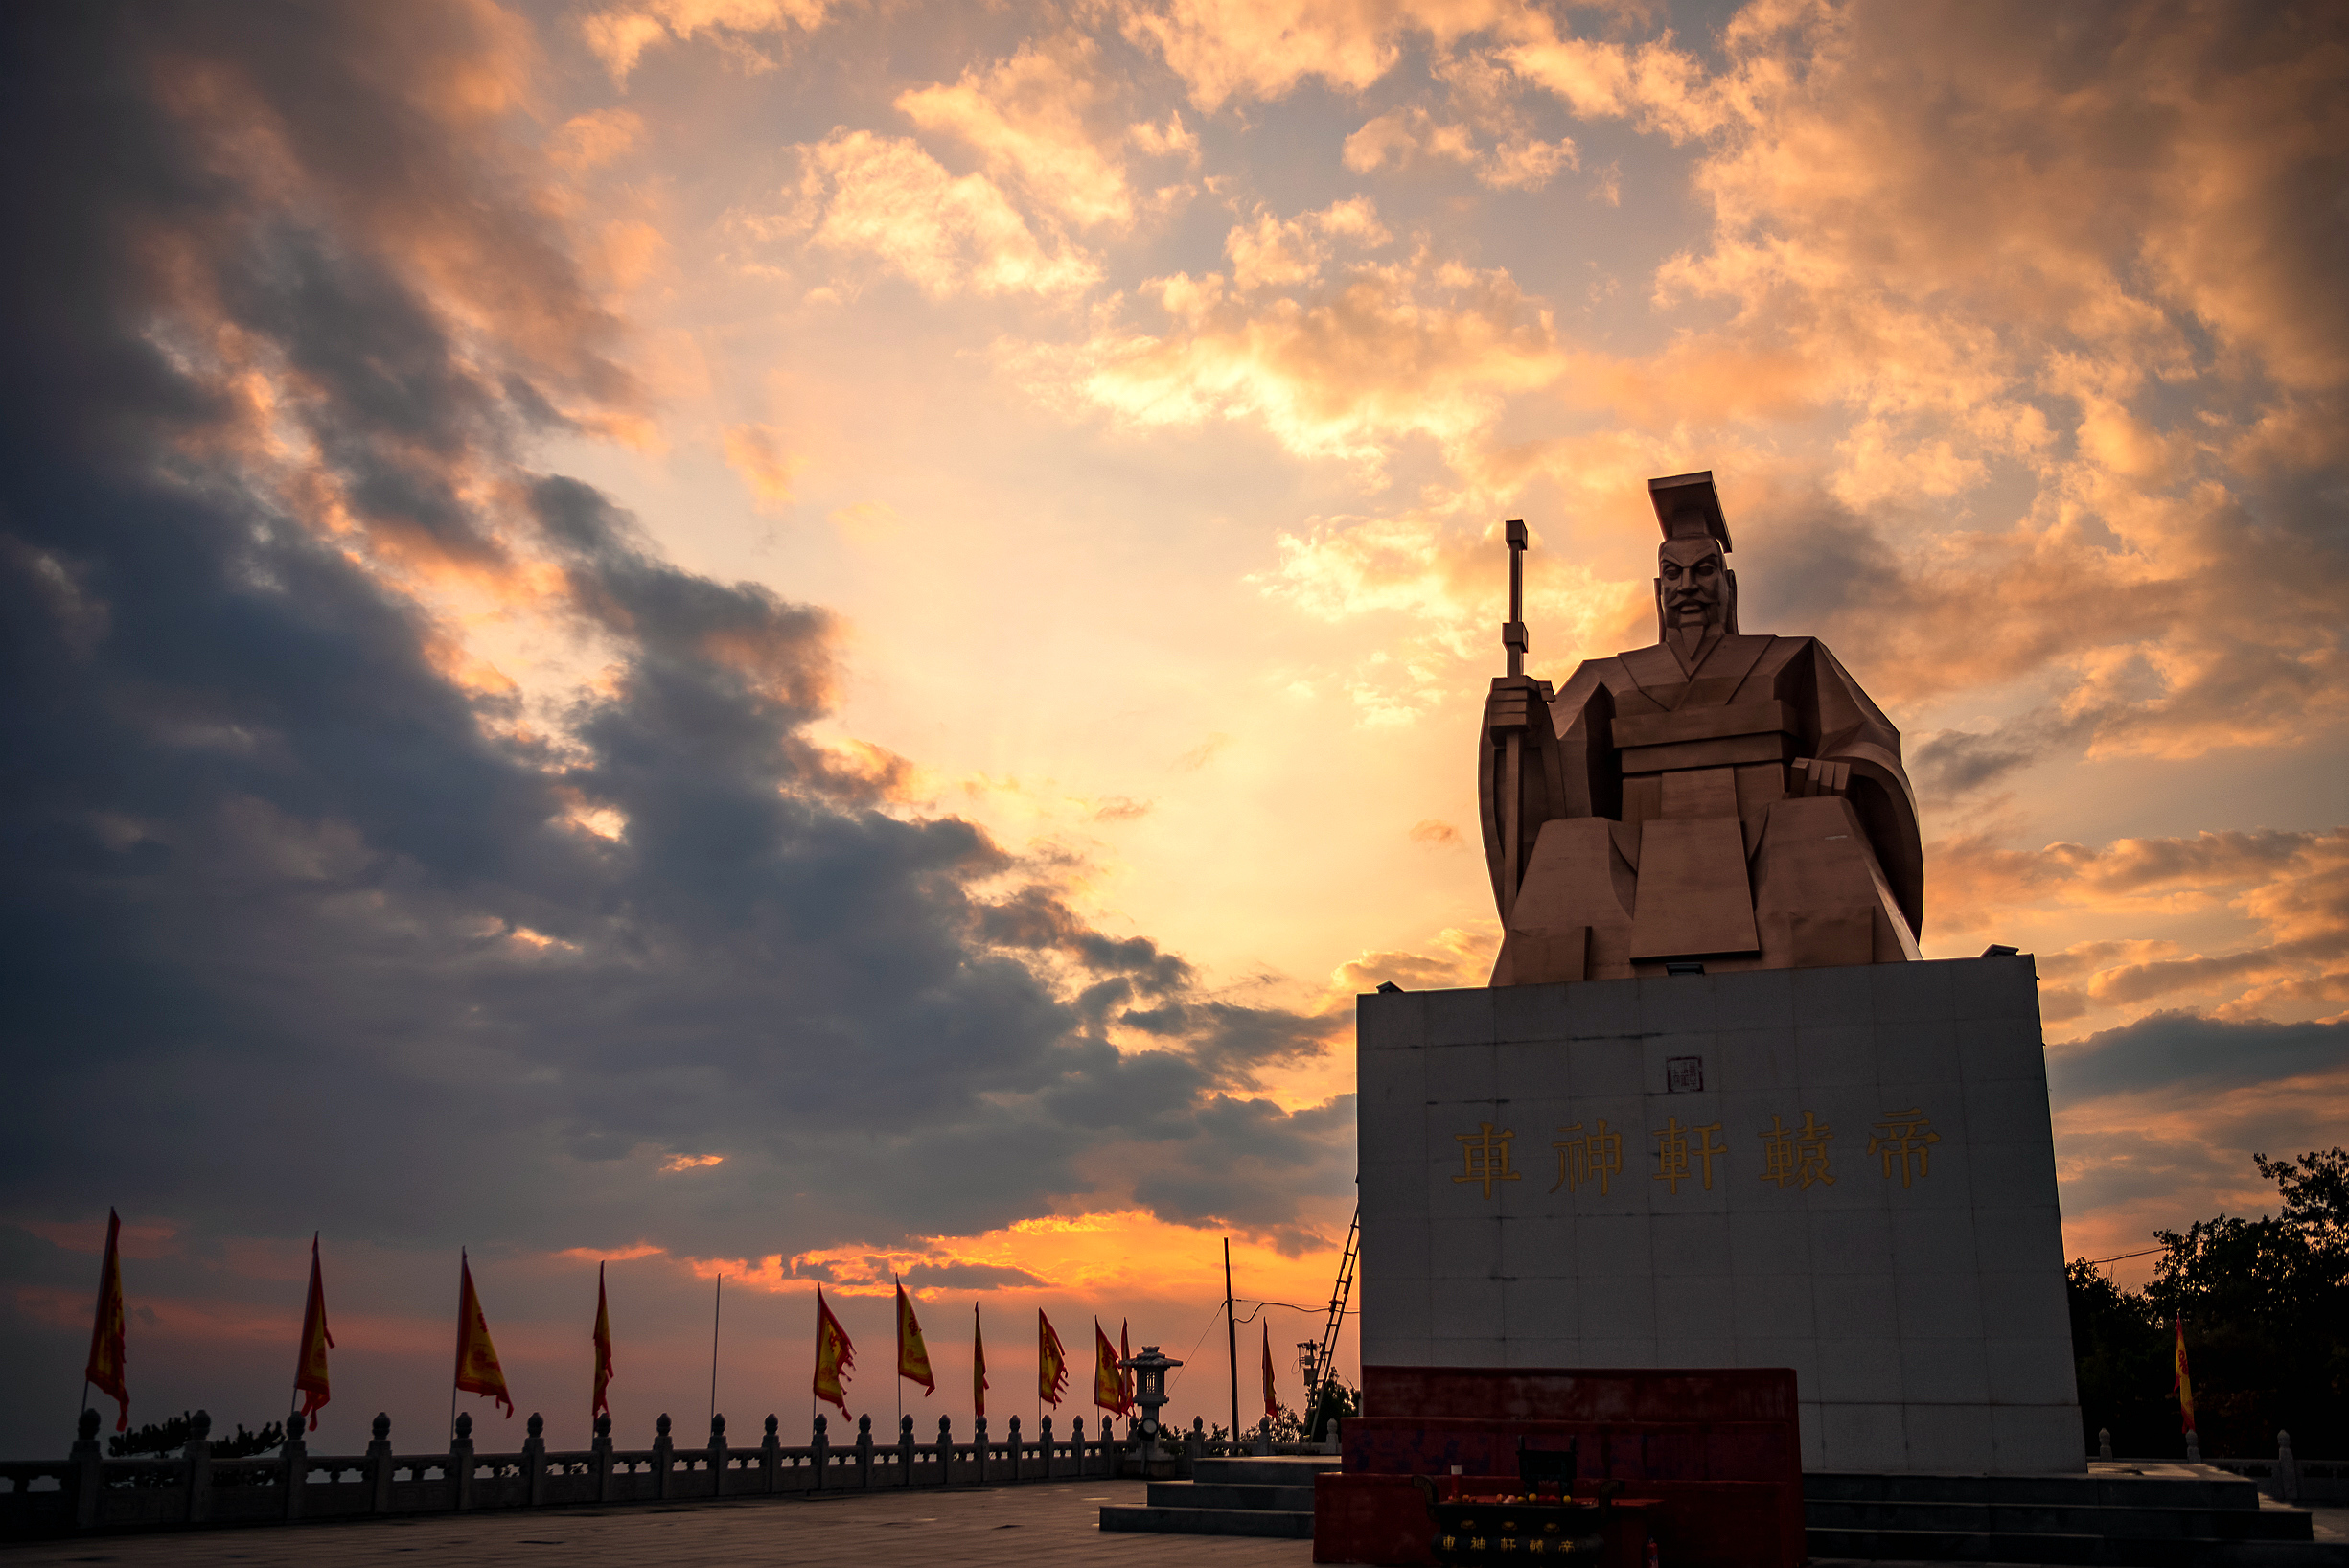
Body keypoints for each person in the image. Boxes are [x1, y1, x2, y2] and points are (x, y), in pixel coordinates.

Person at [1480, 471, 1923, 984]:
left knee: (1813, 831)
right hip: (1634, 856)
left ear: (1729, 585)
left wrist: (1843, 769)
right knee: (1571, 846)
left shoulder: (1793, 657)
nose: (1687, 587)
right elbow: (1552, 767)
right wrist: (1524, 726)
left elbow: (1870, 743)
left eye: (1704, 571)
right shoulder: (1609, 676)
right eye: (1673, 575)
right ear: (1657, 590)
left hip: (1776, 841)